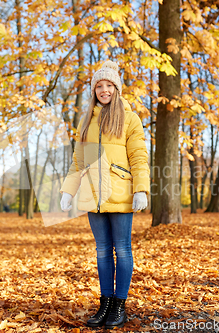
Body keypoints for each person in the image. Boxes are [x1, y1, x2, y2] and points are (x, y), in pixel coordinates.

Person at [59, 60, 150, 329]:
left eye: (109, 85)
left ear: (117, 89)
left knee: (122, 250)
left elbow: (138, 156)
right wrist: (68, 191)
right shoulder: (86, 121)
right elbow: (78, 161)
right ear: (94, 90)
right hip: (93, 195)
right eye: (99, 86)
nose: (104, 90)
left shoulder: (130, 118)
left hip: (121, 193)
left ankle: (119, 305)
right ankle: (105, 304)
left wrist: (141, 189)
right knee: (101, 252)